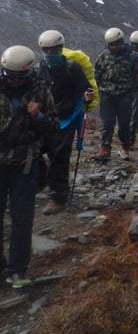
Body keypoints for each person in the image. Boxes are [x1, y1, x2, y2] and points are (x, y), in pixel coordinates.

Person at [0, 45, 59, 288]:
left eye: (19, 77)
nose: (14, 81)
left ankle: (18, 271)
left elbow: (54, 126)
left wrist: (38, 116)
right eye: (9, 76)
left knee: (22, 219)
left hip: (25, 165)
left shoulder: (41, 92)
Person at [36, 30, 94, 215]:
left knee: (60, 155)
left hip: (65, 119)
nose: (50, 53)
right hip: (42, 119)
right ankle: (38, 182)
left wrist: (86, 95)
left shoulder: (73, 68)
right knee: (32, 152)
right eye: (47, 50)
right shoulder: (38, 69)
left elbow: (84, 88)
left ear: (61, 49)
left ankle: (58, 197)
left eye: (54, 49)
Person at [93, 28, 138, 160]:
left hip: (125, 95)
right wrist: (98, 89)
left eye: (117, 44)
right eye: (111, 45)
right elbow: (97, 74)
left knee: (124, 124)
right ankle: (104, 148)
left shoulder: (132, 56)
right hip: (107, 94)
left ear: (122, 42)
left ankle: (125, 147)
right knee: (107, 123)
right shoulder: (104, 56)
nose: (114, 47)